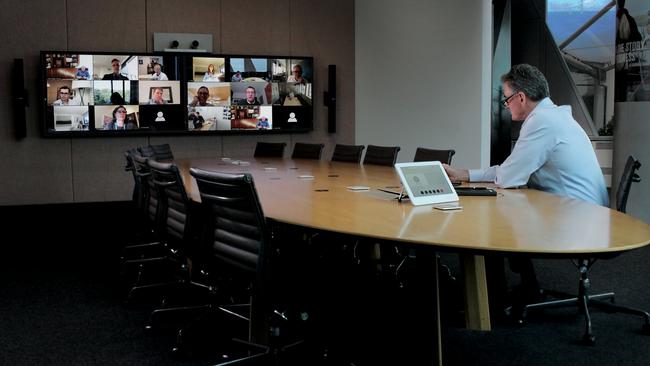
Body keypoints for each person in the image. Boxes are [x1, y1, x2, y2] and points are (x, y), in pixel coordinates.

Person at [444, 64, 608, 307]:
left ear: (520, 97)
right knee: (510, 212)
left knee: (494, 220)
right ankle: (526, 286)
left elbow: (508, 177)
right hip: (584, 212)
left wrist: (466, 174)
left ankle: (492, 300)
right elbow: (511, 170)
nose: (506, 105)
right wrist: (464, 173)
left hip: (577, 219)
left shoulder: (541, 122)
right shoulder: (553, 117)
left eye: (506, 99)